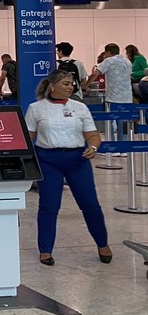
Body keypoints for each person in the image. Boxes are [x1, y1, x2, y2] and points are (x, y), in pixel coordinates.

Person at [25, 70, 111, 266]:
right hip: (48, 160)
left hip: (77, 159)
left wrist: (93, 146)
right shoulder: (36, 109)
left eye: (72, 83)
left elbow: (93, 135)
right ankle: (45, 250)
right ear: (52, 86)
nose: (71, 87)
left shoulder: (80, 108)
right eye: (65, 83)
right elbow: (28, 138)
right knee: (49, 206)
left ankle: (102, 243)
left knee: (90, 204)